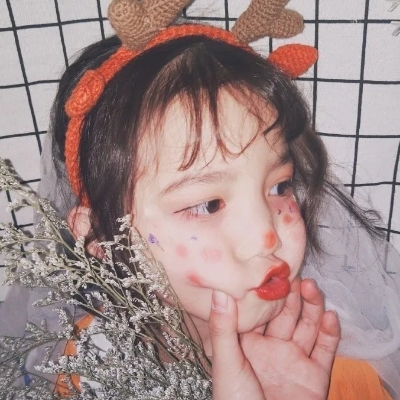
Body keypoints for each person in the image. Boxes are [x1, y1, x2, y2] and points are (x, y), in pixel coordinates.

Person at [2, 0, 400, 398]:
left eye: (279, 187)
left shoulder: (335, 375)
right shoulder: (86, 367)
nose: (266, 236)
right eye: (208, 205)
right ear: (101, 237)